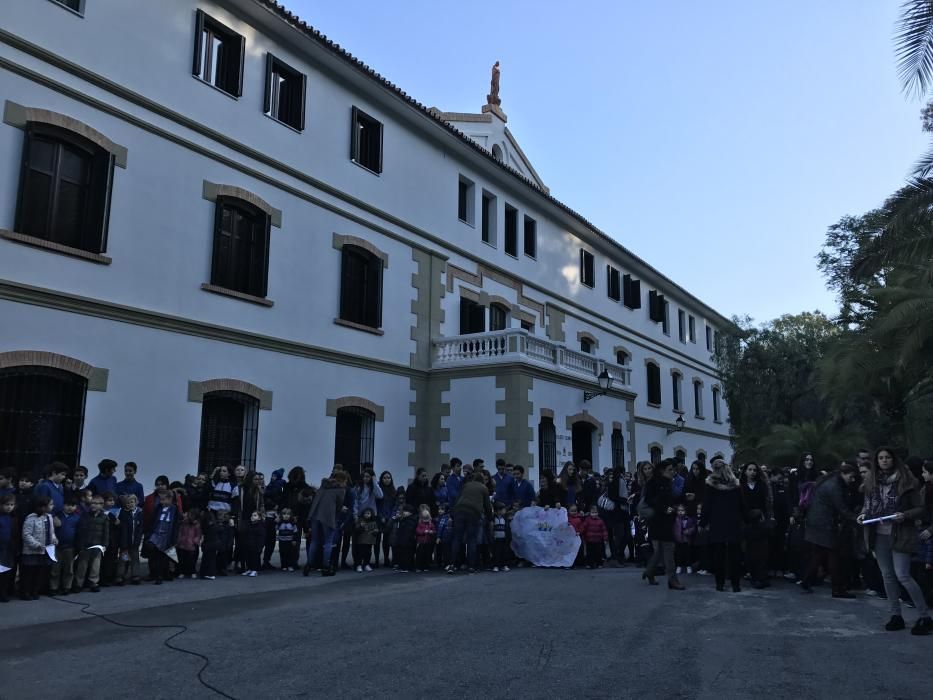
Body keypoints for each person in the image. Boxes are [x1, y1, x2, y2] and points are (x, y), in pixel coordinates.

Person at [858, 447, 931, 635]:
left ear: (893, 459)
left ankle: (924, 616)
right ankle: (895, 615)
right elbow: (867, 505)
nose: (884, 461)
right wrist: (863, 515)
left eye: (887, 457)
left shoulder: (907, 481)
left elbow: (921, 508)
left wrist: (904, 515)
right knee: (887, 575)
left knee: (903, 575)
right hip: (878, 532)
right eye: (881, 458)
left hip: (901, 532)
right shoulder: (871, 481)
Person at [800, 463, 858, 598]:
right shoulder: (834, 486)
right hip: (824, 524)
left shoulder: (831, 482)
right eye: (851, 476)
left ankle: (806, 581)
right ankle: (837, 589)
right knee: (833, 556)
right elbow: (842, 508)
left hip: (817, 522)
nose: (853, 479)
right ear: (844, 474)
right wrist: (856, 519)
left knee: (819, 554)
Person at [700, 458, 744, 592]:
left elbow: (706, 505)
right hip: (733, 521)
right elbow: (742, 504)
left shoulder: (710, 485)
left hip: (717, 522)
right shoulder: (735, 484)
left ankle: (720, 583)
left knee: (719, 554)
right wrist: (746, 519)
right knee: (734, 554)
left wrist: (703, 522)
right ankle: (736, 584)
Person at [642, 459, 683, 589]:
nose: (673, 472)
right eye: (670, 469)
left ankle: (649, 572)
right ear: (662, 471)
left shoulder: (668, 483)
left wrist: (683, 498)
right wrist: (664, 508)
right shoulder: (654, 483)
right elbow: (650, 500)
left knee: (659, 552)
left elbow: (671, 499)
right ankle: (672, 580)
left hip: (666, 520)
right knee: (669, 550)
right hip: (658, 521)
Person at [446, 472, 493, 574]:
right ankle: (471, 566)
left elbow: (457, 499)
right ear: (482, 480)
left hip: (459, 511)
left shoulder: (466, 485)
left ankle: (451, 565)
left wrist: (452, 514)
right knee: (472, 539)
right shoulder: (484, 488)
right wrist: (490, 519)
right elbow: (487, 506)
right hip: (473, 513)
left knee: (457, 538)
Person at [306, 472, 347, 577]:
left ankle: (308, 566)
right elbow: (339, 506)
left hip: (315, 515)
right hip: (328, 517)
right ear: (342, 480)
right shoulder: (340, 490)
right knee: (328, 541)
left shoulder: (323, 487)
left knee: (314, 541)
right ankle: (326, 567)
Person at [740, 462, 773, 589]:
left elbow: (767, 502)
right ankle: (754, 576)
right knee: (750, 551)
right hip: (747, 521)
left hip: (760, 520)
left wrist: (766, 516)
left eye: (754, 470)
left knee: (763, 551)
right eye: (750, 469)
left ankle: (762, 577)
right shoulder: (741, 486)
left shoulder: (762, 485)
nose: (752, 472)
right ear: (745, 471)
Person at [20, 496, 57, 601]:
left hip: (45, 550)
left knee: (39, 572)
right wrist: (36, 544)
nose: (52, 506)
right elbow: (26, 535)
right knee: (29, 572)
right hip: (32, 550)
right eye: (50, 504)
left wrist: (54, 539)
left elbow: (51, 531)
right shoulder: (31, 518)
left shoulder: (49, 517)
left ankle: (35, 591)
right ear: (43, 507)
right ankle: (25, 592)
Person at [75, 494, 109, 593]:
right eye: (92, 503)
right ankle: (78, 583)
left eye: (96, 503)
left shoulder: (104, 517)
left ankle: (94, 583)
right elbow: (81, 530)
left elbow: (106, 533)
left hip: (97, 545)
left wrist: (105, 545)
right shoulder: (85, 515)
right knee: (82, 565)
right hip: (86, 545)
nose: (93, 505)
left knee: (95, 566)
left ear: (101, 505)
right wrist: (80, 544)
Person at [146, 490, 180, 585]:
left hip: (167, 535)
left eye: (163, 499)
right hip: (157, 534)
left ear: (170, 499)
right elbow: (153, 521)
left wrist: (174, 537)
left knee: (165, 556)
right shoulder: (158, 509)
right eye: (160, 500)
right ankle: (158, 575)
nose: (161, 502)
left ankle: (165, 573)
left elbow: (176, 524)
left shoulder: (175, 509)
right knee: (157, 556)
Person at [116, 494, 143, 585]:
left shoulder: (139, 513)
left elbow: (140, 529)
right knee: (123, 559)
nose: (130, 504)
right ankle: (120, 576)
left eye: (132, 502)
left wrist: (138, 540)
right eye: (127, 503)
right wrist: (122, 542)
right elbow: (121, 529)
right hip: (125, 543)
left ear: (136, 502)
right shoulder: (122, 513)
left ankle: (135, 576)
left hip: (134, 542)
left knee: (135, 559)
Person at [0, 494, 19, 602]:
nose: (9, 507)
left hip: (9, 549)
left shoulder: (13, 518)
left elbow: (15, 535)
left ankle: (5, 592)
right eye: (7, 504)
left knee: (7, 572)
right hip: (1, 549)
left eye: (11, 505)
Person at [391, 503, 418, 572]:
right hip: (403, 540)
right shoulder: (405, 519)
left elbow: (408, 531)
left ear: (410, 512)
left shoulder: (411, 520)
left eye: (406, 511)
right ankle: (403, 566)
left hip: (408, 540)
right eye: (404, 511)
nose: (404, 513)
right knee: (403, 554)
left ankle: (406, 567)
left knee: (407, 554)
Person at [177, 507, 202, 579]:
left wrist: (195, 541)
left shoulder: (197, 524)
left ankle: (192, 571)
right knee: (182, 559)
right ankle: (182, 572)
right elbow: (180, 532)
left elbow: (198, 534)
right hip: (182, 543)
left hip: (191, 544)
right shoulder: (184, 523)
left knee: (191, 560)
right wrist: (179, 539)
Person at [581, 504, 609, 569]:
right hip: (589, 540)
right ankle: (589, 564)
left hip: (598, 540)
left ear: (598, 513)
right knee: (589, 553)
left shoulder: (600, 521)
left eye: (595, 512)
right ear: (590, 513)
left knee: (598, 553)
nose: (594, 514)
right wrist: (579, 532)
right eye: (593, 513)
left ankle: (599, 563)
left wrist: (605, 539)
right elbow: (583, 527)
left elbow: (604, 530)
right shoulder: (587, 520)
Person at [673, 504, 697, 575]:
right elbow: (673, 529)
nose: (680, 512)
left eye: (682, 510)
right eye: (679, 510)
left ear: (685, 511)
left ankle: (688, 566)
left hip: (686, 539)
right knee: (678, 554)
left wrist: (688, 531)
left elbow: (693, 528)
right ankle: (679, 566)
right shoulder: (675, 519)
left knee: (687, 554)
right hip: (678, 540)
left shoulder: (689, 519)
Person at [277, 507, 300, 571]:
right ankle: (284, 565)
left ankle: (290, 565)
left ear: (290, 515)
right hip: (282, 541)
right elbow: (275, 529)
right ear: (282, 515)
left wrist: (294, 540)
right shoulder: (280, 523)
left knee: (290, 553)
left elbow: (295, 532)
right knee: (282, 553)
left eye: (288, 514)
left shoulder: (292, 523)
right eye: (284, 514)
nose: (286, 516)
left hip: (290, 541)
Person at [414, 505, 437, 572]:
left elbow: (434, 531)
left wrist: (431, 532)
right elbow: (417, 531)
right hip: (421, 542)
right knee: (419, 555)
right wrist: (424, 531)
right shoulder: (420, 524)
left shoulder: (431, 524)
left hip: (428, 542)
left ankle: (426, 566)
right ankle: (418, 567)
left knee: (427, 555)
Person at [491, 501, 512, 572]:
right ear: (498, 510)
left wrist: (508, 537)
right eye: (503, 509)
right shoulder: (493, 518)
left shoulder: (505, 518)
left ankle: (504, 565)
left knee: (505, 552)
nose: (505, 511)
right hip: (496, 539)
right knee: (496, 552)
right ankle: (496, 565)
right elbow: (491, 529)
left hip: (504, 538)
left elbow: (507, 529)